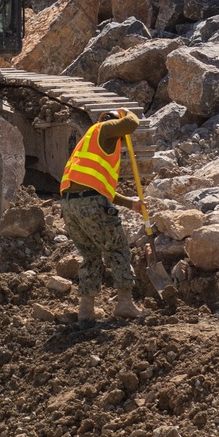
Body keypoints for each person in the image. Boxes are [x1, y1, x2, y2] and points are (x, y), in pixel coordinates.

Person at [59, 112, 144, 322]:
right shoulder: (103, 130)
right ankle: (125, 304)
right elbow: (131, 123)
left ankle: (86, 311)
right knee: (118, 249)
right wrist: (128, 111)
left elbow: (100, 188)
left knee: (91, 255)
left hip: (70, 205)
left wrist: (130, 204)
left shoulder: (90, 144)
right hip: (90, 203)